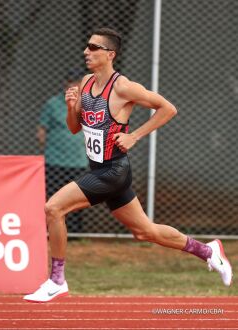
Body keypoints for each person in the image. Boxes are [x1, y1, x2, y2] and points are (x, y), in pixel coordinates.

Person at [24, 27, 233, 303]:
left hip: (114, 170)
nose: (86, 51)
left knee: (53, 208)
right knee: (144, 231)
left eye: (93, 47)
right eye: (87, 47)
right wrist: (72, 107)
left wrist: (135, 135)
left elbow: (168, 108)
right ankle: (209, 251)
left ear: (110, 54)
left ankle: (57, 280)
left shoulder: (124, 87)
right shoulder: (86, 83)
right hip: (99, 169)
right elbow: (75, 129)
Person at [37, 70, 88, 233]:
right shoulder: (53, 103)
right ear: (65, 84)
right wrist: (49, 147)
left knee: (77, 197)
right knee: (54, 197)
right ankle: (52, 230)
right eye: (70, 83)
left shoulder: (88, 103)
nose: (73, 86)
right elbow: (41, 131)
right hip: (55, 160)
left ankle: (75, 231)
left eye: (77, 83)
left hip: (79, 160)